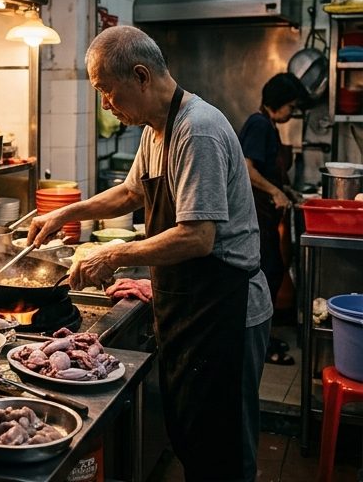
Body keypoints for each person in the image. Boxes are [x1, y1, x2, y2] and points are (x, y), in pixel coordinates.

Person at [27, 26, 270, 481]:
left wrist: (112, 255)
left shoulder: (197, 130)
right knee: (195, 441)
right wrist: (66, 213)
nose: (105, 104)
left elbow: (198, 237)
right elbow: (131, 193)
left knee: (225, 450)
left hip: (227, 310)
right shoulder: (156, 131)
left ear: (140, 76)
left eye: (106, 90)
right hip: (191, 306)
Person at [240, 73, 301, 366]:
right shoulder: (259, 124)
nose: (292, 112)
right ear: (278, 102)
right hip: (254, 215)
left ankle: (263, 338)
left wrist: (286, 190)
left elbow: (267, 169)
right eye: (291, 106)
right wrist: (275, 191)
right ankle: (258, 345)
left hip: (264, 216)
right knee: (267, 275)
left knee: (272, 273)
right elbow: (247, 168)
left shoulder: (268, 125)